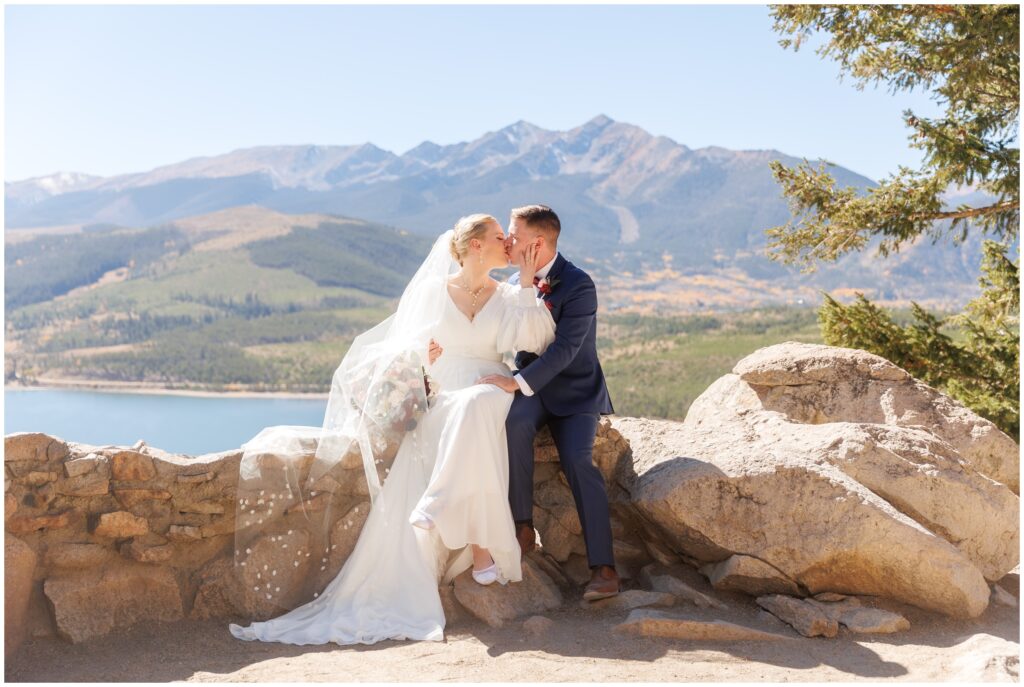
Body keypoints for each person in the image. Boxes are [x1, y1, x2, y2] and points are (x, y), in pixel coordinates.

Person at [228, 213, 555, 645]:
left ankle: (440, 505)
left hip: (492, 387)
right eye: (500, 237)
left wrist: (530, 284)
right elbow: (401, 353)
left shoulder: (513, 292)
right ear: (477, 245)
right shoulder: (431, 291)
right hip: (445, 393)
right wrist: (427, 355)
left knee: (477, 403)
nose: (509, 244)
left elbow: (535, 341)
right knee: (463, 414)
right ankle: (480, 546)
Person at [478, 204, 619, 601]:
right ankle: (522, 527)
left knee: (578, 460)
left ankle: (604, 569)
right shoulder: (517, 281)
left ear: (537, 243)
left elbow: (567, 350)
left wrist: (516, 382)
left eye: (514, 235)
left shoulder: (579, 284)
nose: (508, 241)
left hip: (575, 393)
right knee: (513, 426)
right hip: (534, 390)